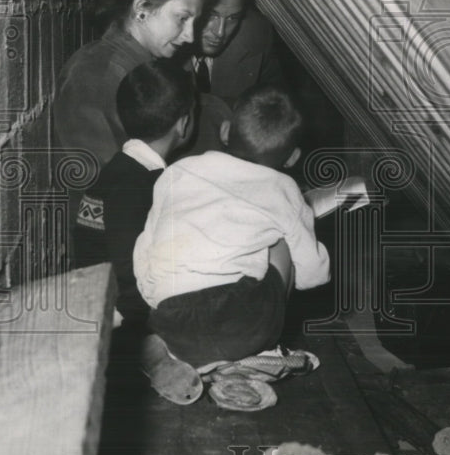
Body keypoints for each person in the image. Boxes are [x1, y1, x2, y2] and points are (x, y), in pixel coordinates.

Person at [133, 85, 330, 373]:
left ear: (225, 131)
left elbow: (144, 249)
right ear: (292, 158)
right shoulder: (285, 188)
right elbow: (313, 275)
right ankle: (262, 352)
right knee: (282, 242)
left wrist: (156, 304)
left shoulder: (177, 172)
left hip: (170, 324)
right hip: (245, 327)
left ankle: (187, 360)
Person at [74, 59, 196, 328]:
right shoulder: (141, 184)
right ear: (184, 124)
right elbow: (129, 275)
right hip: (115, 318)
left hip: (97, 300)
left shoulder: (121, 170)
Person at [54, 0, 202, 170]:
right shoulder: (94, 72)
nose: (190, 36)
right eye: (182, 18)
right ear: (141, 7)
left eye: (195, 22)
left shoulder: (158, 64)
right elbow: (103, 180)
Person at [188, 0, 283, 107]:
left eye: (233, 18)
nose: (220, 32)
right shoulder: (161, 41)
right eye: (211, 15)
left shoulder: (256, 33)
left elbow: (274, 103)